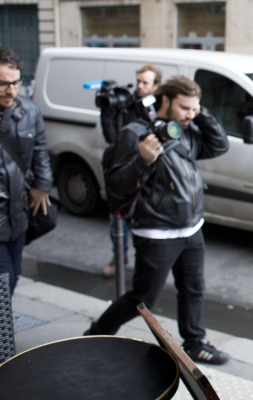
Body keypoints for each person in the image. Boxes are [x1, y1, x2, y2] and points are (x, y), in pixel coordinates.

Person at [85, 76, 231, 365]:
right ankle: (96, 334)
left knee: (193, 290)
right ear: (165, 101)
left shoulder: (186, 129)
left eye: (195, 108)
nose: (191, 114)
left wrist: (201, 115)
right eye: (185, 108)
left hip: (192, 228)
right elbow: (115, 185)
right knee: (142, 299)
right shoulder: (134, 133)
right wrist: (142, 160)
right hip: (156, 233)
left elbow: (218, 146)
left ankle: (195, 342)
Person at [0, 45, 53, 294]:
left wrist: (42, 186)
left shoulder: (28, 110)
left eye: (16, 82)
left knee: (11, 279)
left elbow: (41, 151)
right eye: (2, 84)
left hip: (18, 214)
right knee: (1, 284)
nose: (12, 90)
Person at [101, 64, 162, 278]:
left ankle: (143, 266)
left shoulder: (157, 109)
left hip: (145, 175)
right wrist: (107, 113)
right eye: (138, 81)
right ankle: (118, 258)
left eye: (145, 82)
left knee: (142, 224)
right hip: (122, 171)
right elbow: (112, 139)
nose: (139, 86)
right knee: (115, 221)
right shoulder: (127, 105)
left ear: (156, 85)